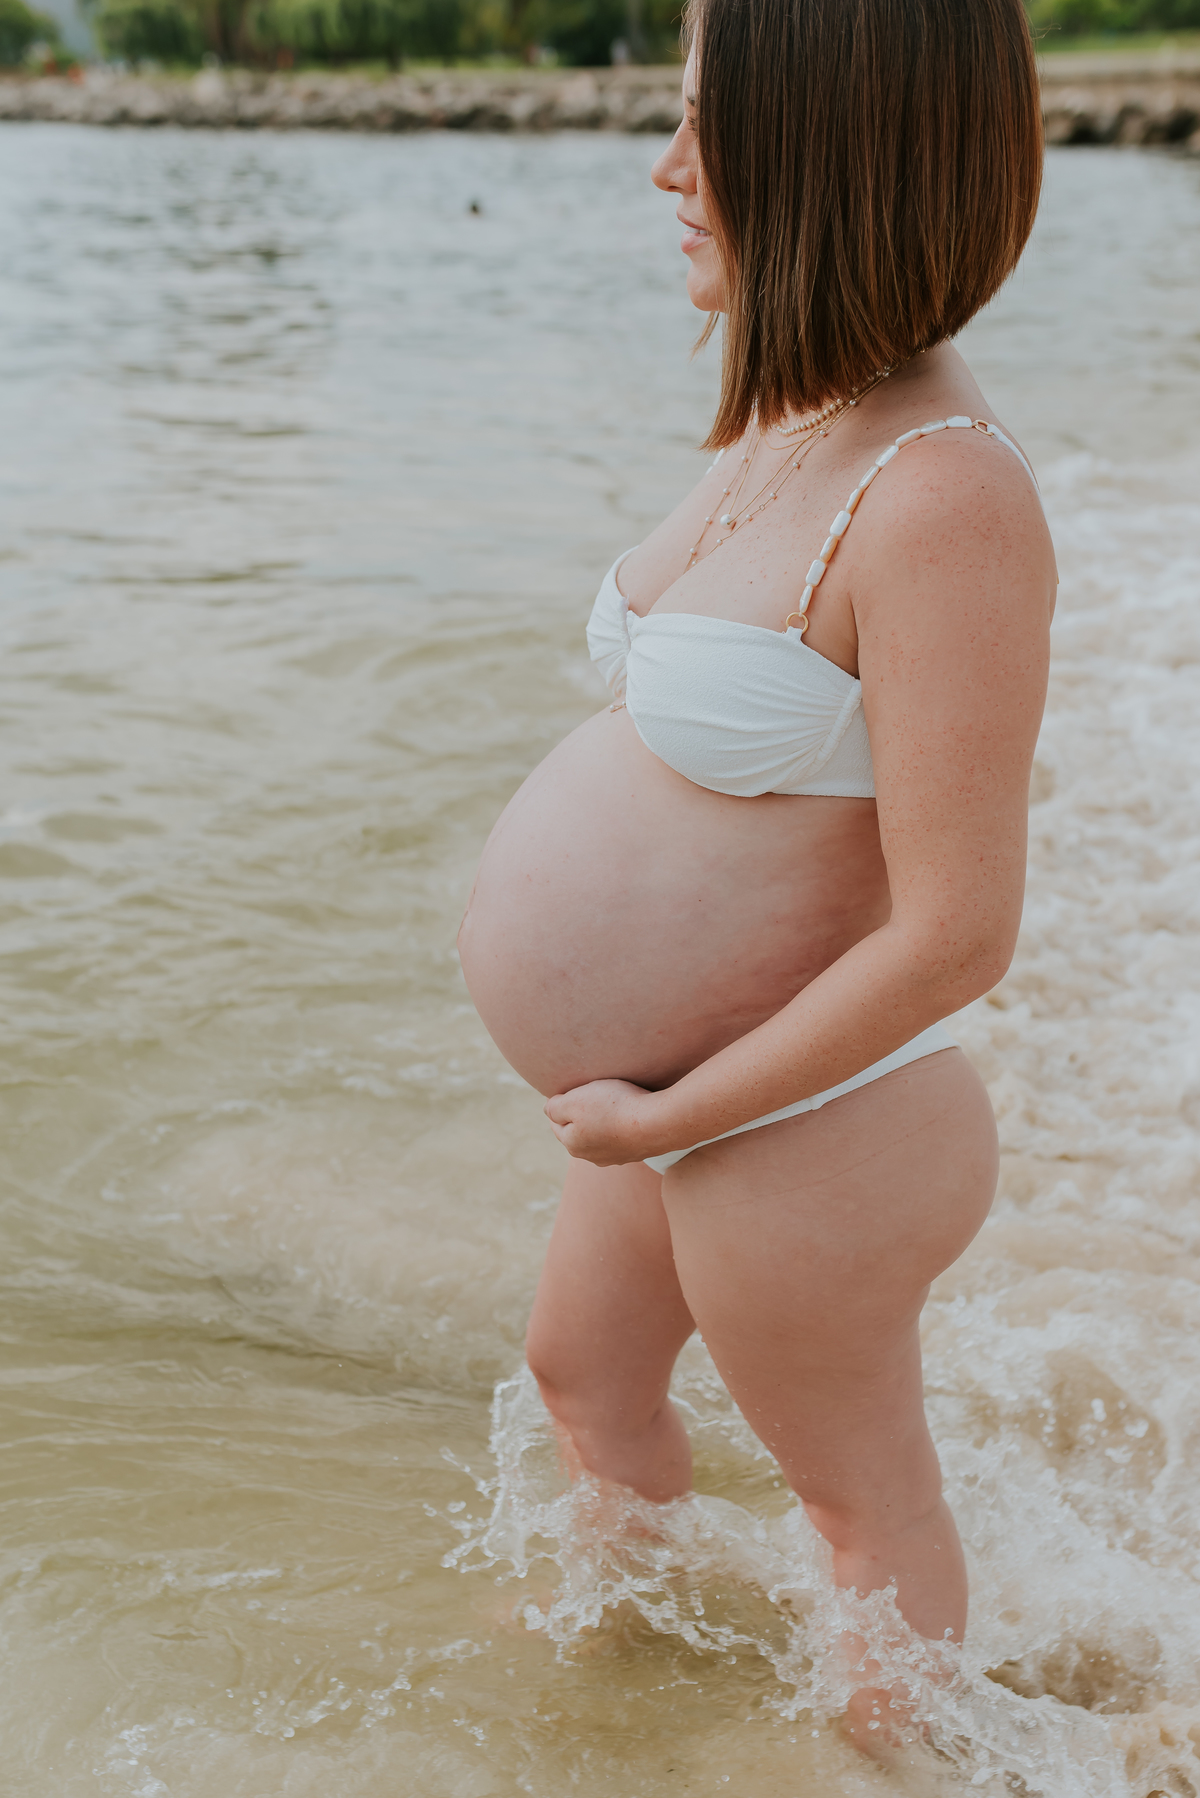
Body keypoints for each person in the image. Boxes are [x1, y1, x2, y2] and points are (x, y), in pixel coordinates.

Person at [456, 0, 1054, 1749]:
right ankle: (614, 1693)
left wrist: (678, 1107)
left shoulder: (947, 500)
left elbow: (960, 931)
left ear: (830, 153)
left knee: (857, 1503)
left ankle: (897, 1761)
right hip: (688, 1094)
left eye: (706, 124)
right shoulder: (794, 411)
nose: (667, 169)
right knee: (584, 1375)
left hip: (814, 1111)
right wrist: (651, 1103)